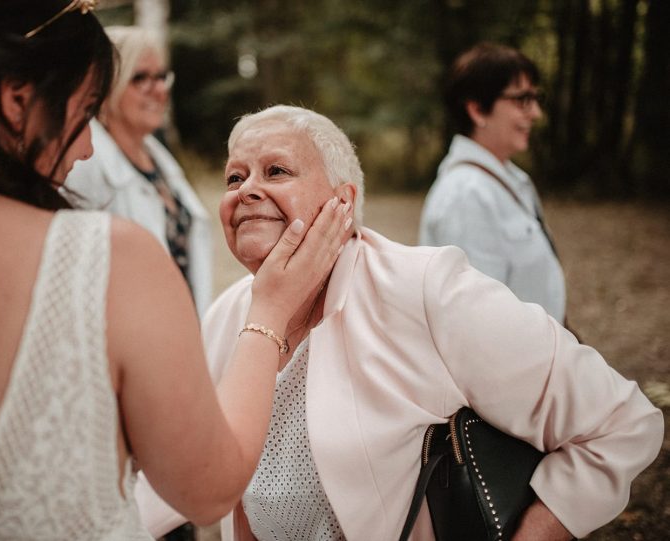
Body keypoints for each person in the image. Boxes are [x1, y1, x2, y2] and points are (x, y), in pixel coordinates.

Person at [0, 3, 352, 539]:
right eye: (87, 111)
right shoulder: (106, 258)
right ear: (17, 101)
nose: (90, 145)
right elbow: (210, 491)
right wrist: (271, 308)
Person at [136, 105, 663, 541]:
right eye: (235, 176)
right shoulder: (227, 316)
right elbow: (174, 480)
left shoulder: (426, 290)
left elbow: (621, 421)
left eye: (276, 171)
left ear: (343, 202)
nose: (246, 190)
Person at [64, 25, 212, 317]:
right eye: (140, 78)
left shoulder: (159, 158)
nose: (158, 90)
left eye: (161, 77)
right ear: (106, 87)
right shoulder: (83, 164)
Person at [419, 43, 566, 323]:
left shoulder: (509, 178)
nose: (535, 113)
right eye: (522, 99)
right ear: (477, 110)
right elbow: (475, 321)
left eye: (536, 98)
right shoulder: (465, 195)